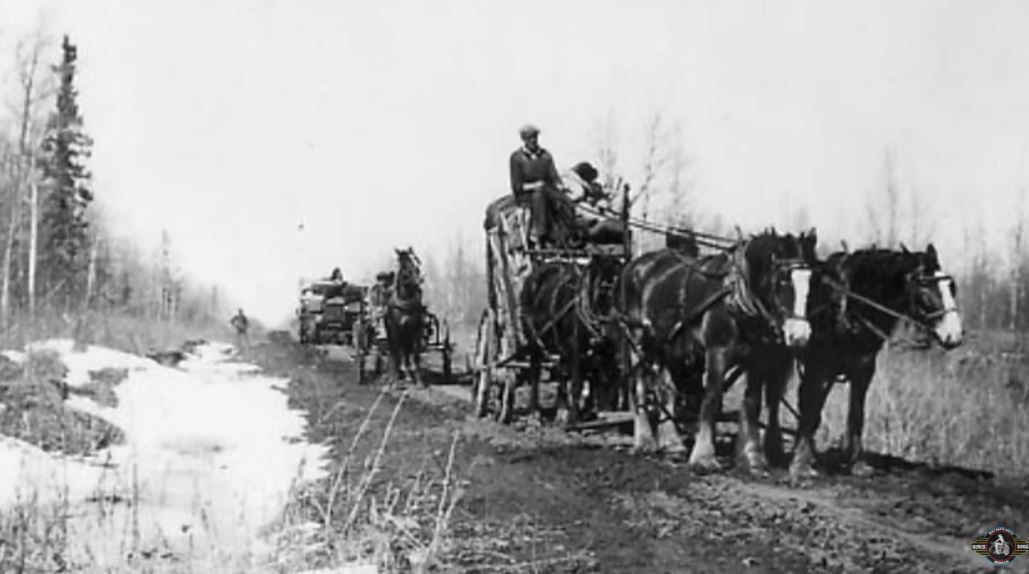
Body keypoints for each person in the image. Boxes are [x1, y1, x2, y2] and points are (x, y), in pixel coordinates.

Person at [509, 124, 574, 247]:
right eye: (529, 138)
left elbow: (554, 177)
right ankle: (538, 234)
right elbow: (517, 186)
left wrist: (561, 186)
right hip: (526, 196)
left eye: (535, 137)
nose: (533, 140)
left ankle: (565, 236)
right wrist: (535, 186)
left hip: (546, 191)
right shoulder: (516, 158)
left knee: (566, 201)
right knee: (539, 194)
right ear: (524, 140)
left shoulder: (545, 156)